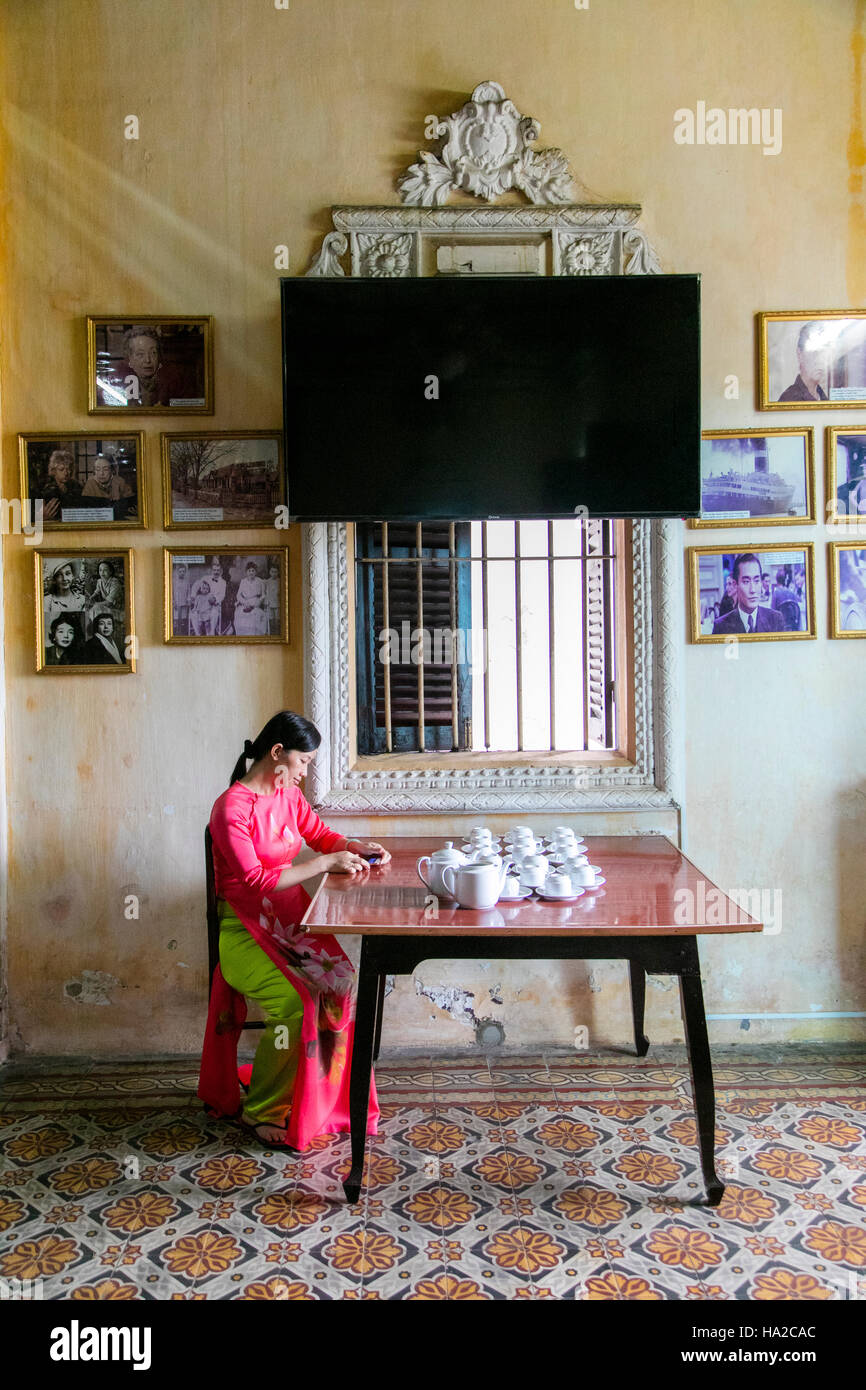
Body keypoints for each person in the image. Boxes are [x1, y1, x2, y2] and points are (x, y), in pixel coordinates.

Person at [198, 711, 389, 1148]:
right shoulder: (232, 808)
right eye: (303, 762)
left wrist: (352, 846)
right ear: (278, 753)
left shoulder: (287, 795)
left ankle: (316, 1099)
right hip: (244, 930)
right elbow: (254, 882)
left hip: (291, 922)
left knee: (341, 981)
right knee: (293, 1003)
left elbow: (319, 834)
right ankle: (262, 1109)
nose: (305, 773)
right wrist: (323, 864)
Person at [96, 324, 199, 407]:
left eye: (153, 353)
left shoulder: (176, 377)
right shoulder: (116, 378)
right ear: (129, 357)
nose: (148, 360)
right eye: (140, 354)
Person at [712, 554, 785, 634]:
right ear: (735, 585)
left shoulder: (775, 619)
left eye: (756, 581)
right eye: (746, 582)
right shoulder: (721, 626)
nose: (753, 589)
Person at [778, 321, 829, 402]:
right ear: (800, 354)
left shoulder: (823, 398)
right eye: (813, 352)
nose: (820, 359)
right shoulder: (789, 399)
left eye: (823, 352)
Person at [81, 455, 135, 519]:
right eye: (97, 469)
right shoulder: (90, 483)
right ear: (94, 471)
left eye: (105, 469)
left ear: (112, 470)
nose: (101, 473)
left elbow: (131, 506)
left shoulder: (120, 482)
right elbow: (86, 510)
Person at [43, 559, 86, 635]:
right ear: (55, 580)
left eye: (68, 573)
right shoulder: (47, 601)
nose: (64, 579)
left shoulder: (82, 600)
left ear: (72, 576)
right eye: (59, 575)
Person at [40, 449, 83, 521]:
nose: (66, 473)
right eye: (61, 469)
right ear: (54, 471)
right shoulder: (46, 489)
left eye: (68, 469)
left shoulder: (76, 486)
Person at [233, 561, 268, 636]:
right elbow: (238, 595)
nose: (251, 573)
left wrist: (259, 602)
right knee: (240, 614)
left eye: (253, 571)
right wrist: (244, 602)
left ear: (255, 572)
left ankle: (254, 636)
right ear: (246, 572)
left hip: (256, 603)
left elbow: (263, 595)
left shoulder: (260, 581)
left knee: (255, 615)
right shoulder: (243, 581)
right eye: (249, 571)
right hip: (245, 603)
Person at [173, 563, 191, 636]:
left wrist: (188, 600)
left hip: (184, 603)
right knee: (176, 619)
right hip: (176, 603)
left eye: (183, 571)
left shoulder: (187, 582)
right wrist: (173, 602)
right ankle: (176, 633)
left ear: (185, 572)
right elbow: (172, 592)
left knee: (184, 619)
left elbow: (188, 592)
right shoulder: (174, 582)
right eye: (180, 571)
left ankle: (183, 634)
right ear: (177, 572)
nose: (182, 573)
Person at [265, 561, 280, 634]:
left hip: (277, 603)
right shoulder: (267, 582)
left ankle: (277, 634)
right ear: (269, 572)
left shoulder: (280, 581)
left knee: (277, 619)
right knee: (270, 619)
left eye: (276, 572)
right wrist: (266, 602)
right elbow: (265, 593)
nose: (274, 574)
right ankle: (271, 634)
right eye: (272, 571)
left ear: (278, 572)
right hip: (270, 603)